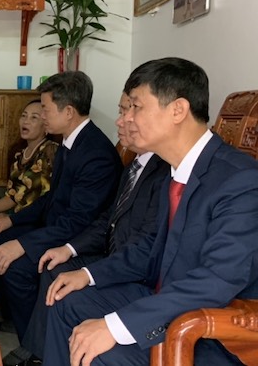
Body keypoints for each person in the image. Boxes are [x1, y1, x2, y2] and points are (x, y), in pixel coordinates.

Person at [43, 57, 258, 366]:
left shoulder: (239, 180)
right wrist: (88, 274)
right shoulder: (175, 172)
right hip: (168, 299)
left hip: (214, 328)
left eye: (136, 107)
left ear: (178, 110)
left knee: (103, 352)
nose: (124, 120)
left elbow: (217, 280)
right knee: (67, 301)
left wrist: (117, 327)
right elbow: (150, 249)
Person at [2, 93, 169, 366]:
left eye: (132, 110)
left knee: (58, 285)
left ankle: (37, 351)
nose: (121, 121)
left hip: (131, 270)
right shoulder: (133, 166)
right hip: (105, 249)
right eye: (122, 110)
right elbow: (107, 218)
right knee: (54, 271)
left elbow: (141, 245)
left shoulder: (162, 170)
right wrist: (68, 249)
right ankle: (36, 350)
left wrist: (85, 271)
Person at [0, 71, 122, 342]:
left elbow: (78, 221)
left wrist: (23, 245)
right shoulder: (70, 143)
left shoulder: (95, 154)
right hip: (56, 226)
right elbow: (51, 199)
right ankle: (10, 323)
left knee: (16, 267)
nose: (42, 115)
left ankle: (33, 344)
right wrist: (12, 219)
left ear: (68, 111)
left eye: (44, 109)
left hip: (79, 239)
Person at [0, 100, 59, 221]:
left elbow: (52, 197)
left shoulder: (51, 151)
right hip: (17, 221)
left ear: (46, 125)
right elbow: (12, 196)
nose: (26, 121)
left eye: (34, 118)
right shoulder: (19, 155)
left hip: (39, 224)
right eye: (24, 116)